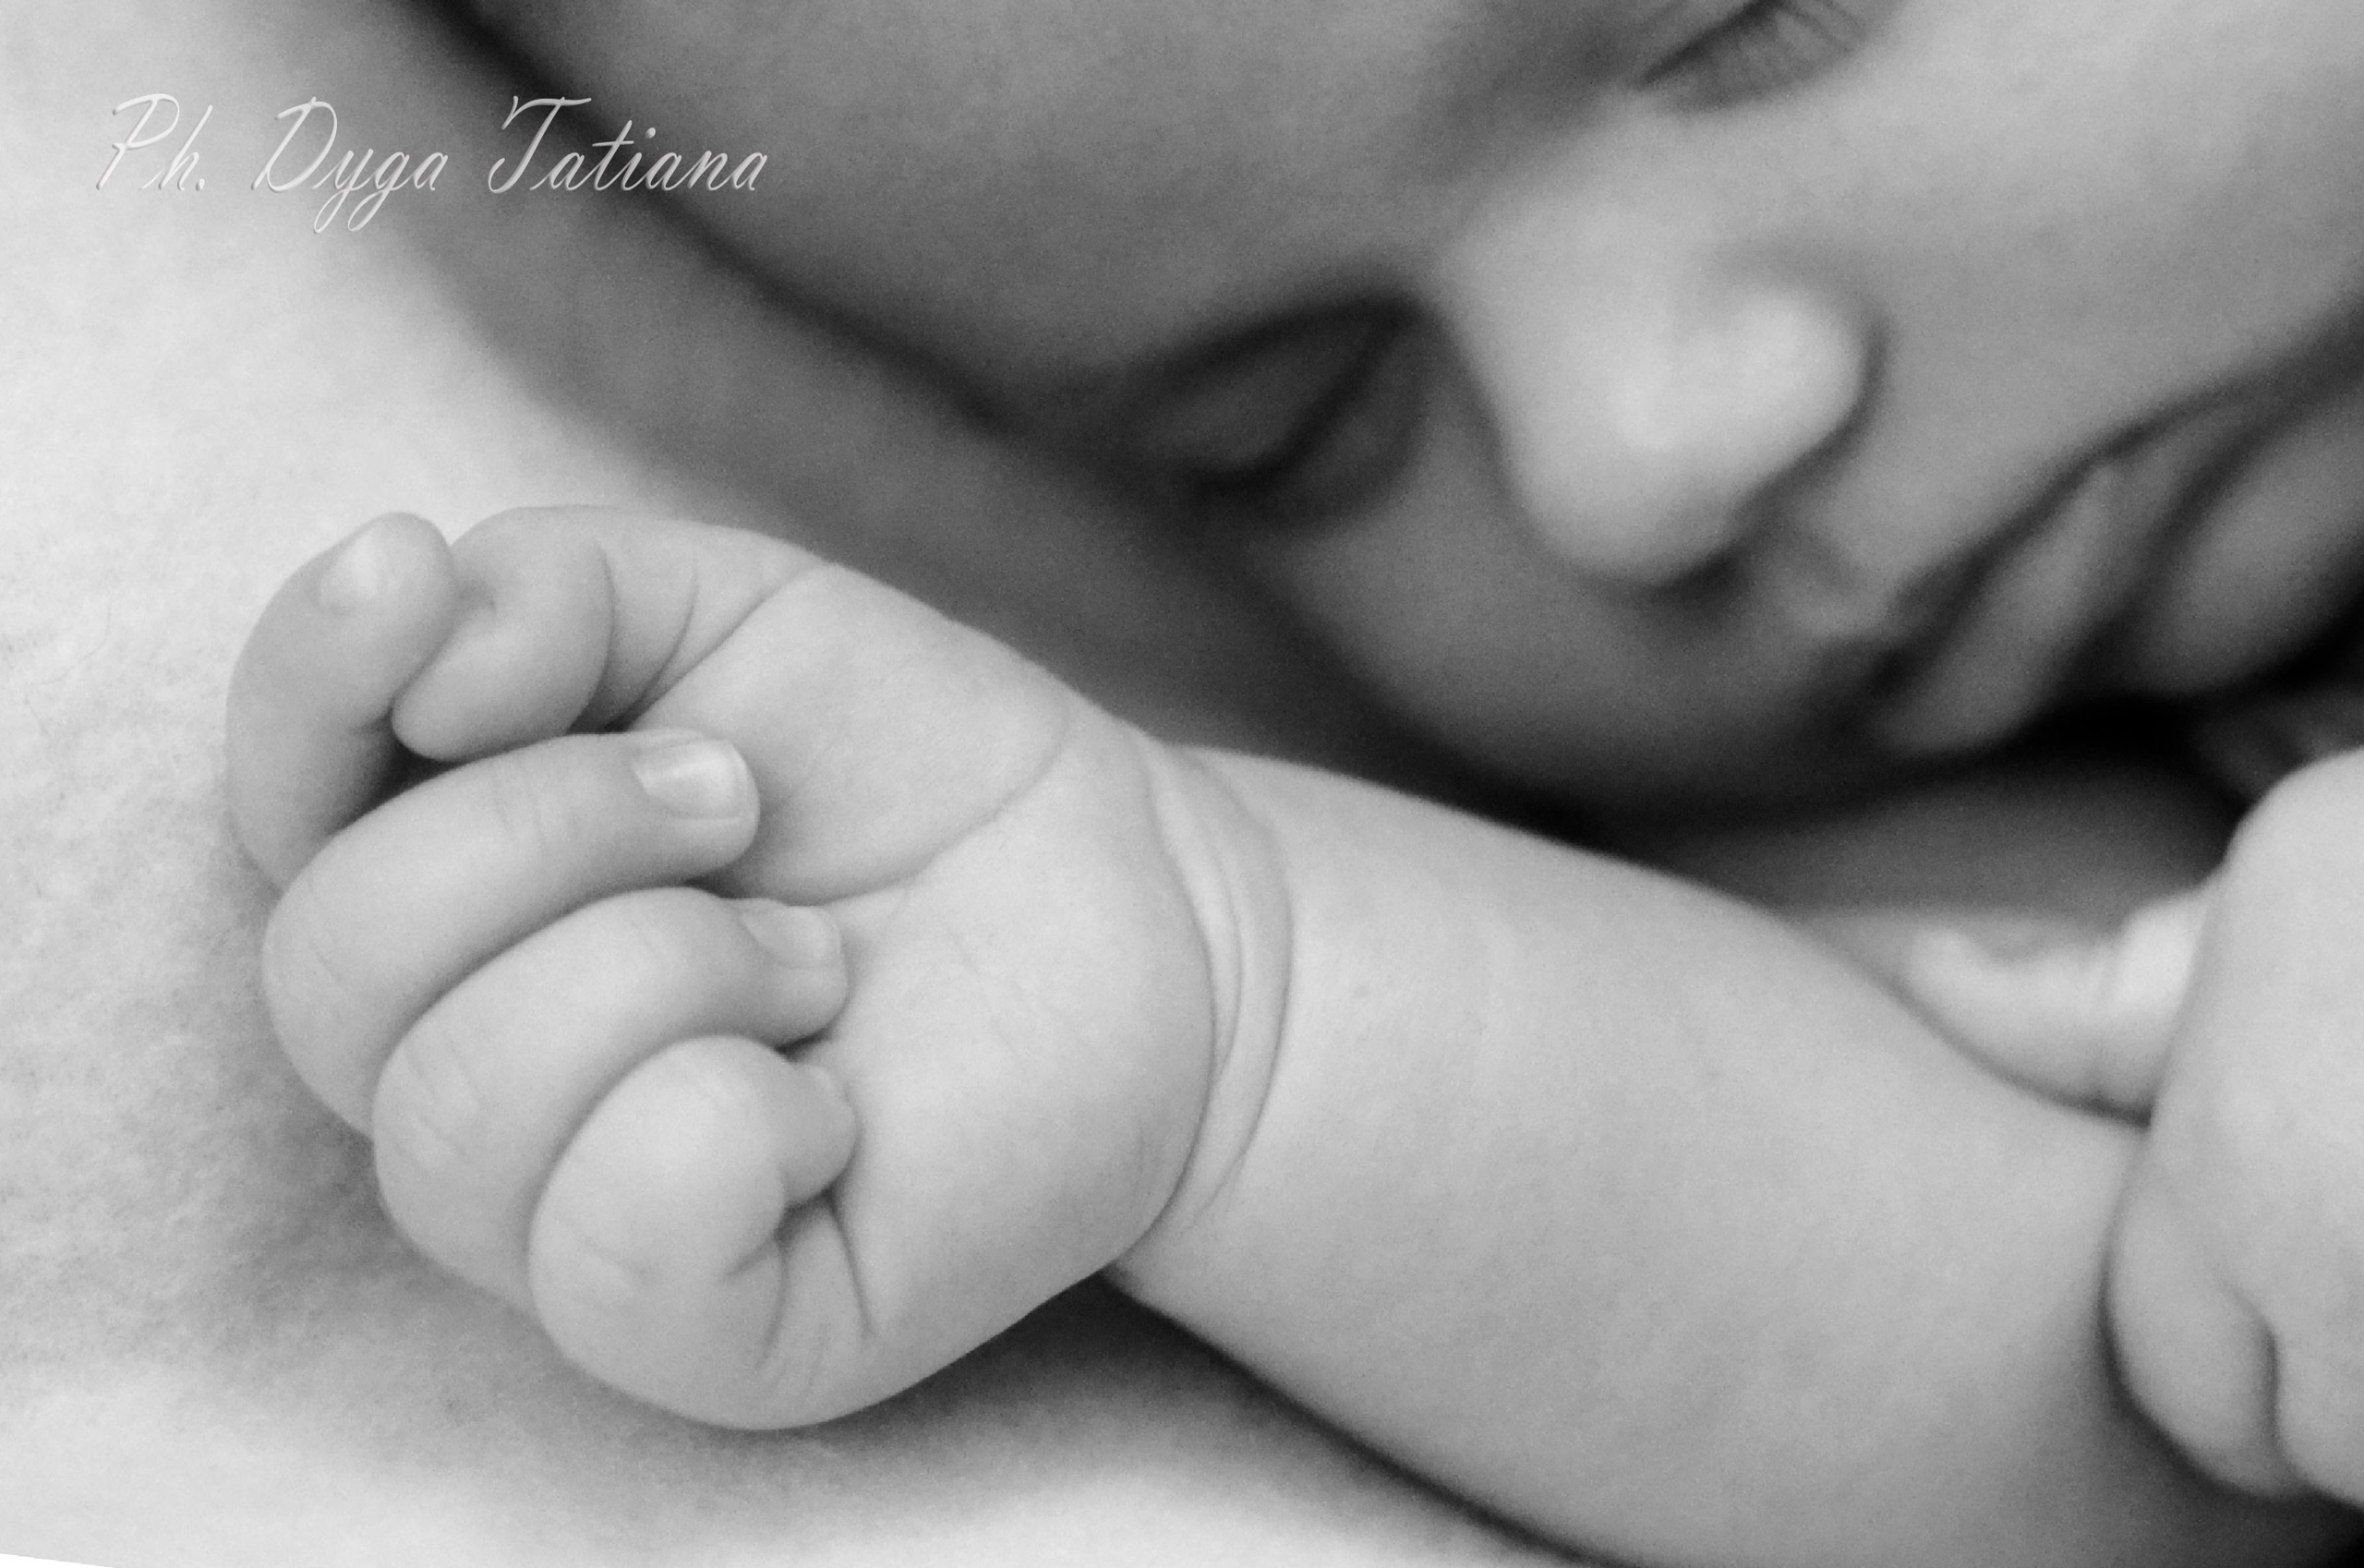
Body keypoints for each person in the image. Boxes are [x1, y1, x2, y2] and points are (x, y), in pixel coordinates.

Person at [214, 2, 2364, 1566]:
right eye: (1305, 434)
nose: (1617, 466)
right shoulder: (2008, 798)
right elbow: (2124, 1377)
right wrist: (1231, 1001)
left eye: (1746, 31)